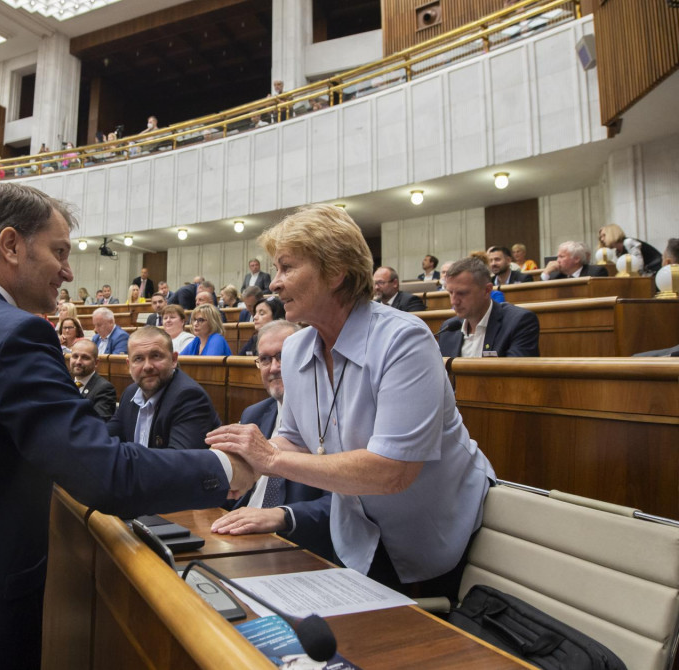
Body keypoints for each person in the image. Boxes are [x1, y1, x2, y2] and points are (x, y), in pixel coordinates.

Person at [0, 183, 253, 669]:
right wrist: (225, 468)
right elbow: (103, 473)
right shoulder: (16, 332)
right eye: (58, 251)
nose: (68, 269)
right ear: (11, 244)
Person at [207, 203, 495, 599]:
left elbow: (391, 471)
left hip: (436, 533)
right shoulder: (294, 349)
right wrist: (239, 465)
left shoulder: (403, 339)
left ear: (336, 271)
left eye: (287, 268)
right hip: (357, 534)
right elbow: (292, 438)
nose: (274, 284)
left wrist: (269, 460)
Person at [211, 321, 333, 559]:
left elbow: (349, 505)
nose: (274, 368)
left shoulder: (332, 418)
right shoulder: (254, 414)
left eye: (283, 356)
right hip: (239, 534)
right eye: (265, 359)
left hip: (297, 546)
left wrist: (281, 515)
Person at [107, 326, 221, 449]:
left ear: (173, 360)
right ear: (129, 365)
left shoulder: (190, 397)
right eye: (138, 359)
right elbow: (106, 438)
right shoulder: (130, 393)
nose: (147, 366)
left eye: (156, 356)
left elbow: (177, 462)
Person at [438, 256, 540, 358]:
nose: (454, 301)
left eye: (462, 293)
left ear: (487, 290)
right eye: (450, 293)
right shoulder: (448, 329)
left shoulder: (519, 322)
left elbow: (516, 372)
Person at [69, 339, 117, 421]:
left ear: (96, 362)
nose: (78, 362)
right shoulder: (65, 383)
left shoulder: (105, 389)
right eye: (75, 356)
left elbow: (98, 423)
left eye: (85, 358)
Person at [598, 223, 663, 274]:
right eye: (601, 237)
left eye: (604, 235)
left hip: (656, 269)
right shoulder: (617, 251)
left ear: (612, 234)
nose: (602, 239)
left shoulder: (628, 242)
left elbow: (639, 266)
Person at [541, 241, 609, 280]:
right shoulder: (554, 275)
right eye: (558, 257)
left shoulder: (596, 273)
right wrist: (546, 272)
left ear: (576, 259)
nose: (557, 260)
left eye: (561, 257)